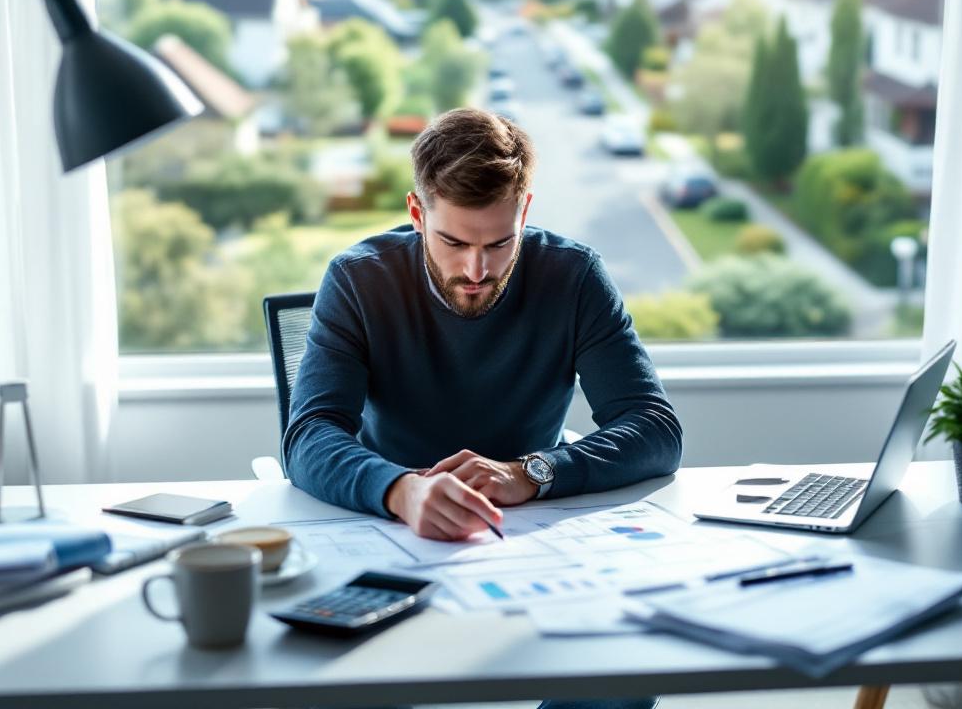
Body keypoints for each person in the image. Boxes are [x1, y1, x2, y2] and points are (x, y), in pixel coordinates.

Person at [284, 107, 683, 541]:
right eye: (453, 242)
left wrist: (531, 473)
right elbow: (308, 435)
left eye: (500, 243)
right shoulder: (357, 280)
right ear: (417, 215)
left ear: (524, 213)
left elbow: (655, 428)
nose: (476, 271)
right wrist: (402, 491)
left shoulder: (575, 277)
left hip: (530, 526)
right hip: (392, 523)